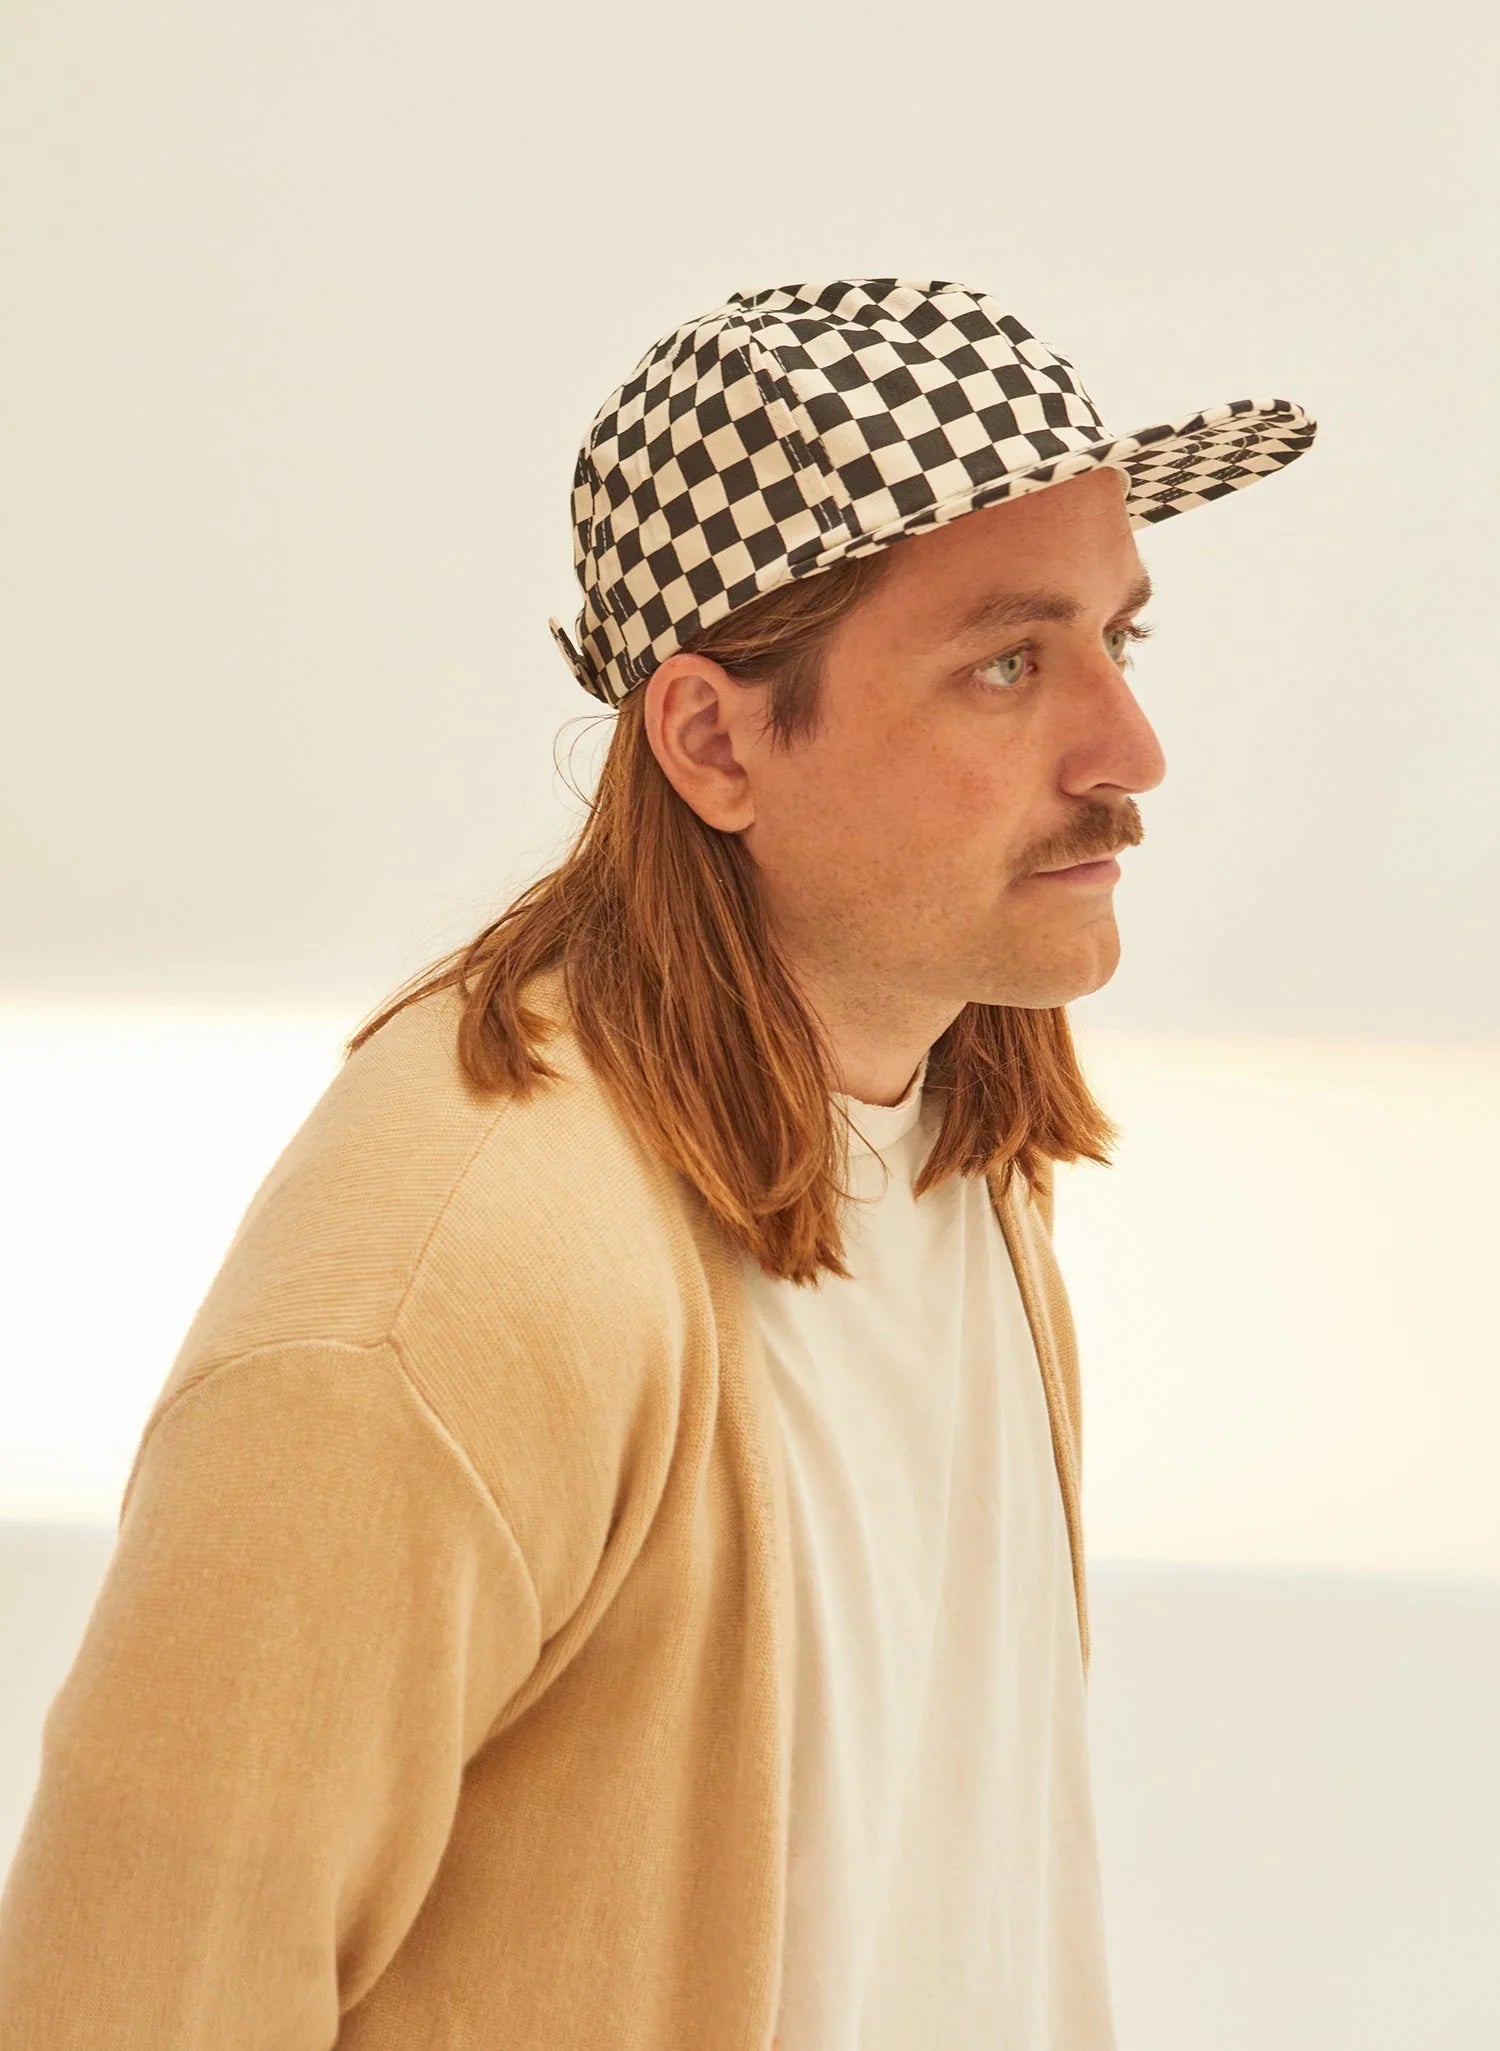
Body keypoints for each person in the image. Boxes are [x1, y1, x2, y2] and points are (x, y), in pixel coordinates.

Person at [0, 278, 1316, 2049]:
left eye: (1117, 641)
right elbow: (129, 2002)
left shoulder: (953, 1140)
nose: (1130, 751)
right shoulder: (440, 1297)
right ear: (711, 740)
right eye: (1008, 664)